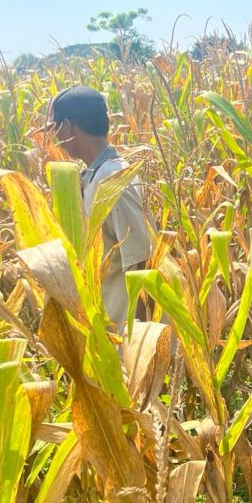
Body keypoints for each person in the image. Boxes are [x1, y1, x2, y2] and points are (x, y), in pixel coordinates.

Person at [45, 85, 153, 327]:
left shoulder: (114, 182)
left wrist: (141, 347)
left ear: (69, 127)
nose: (55, 139)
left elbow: (143, 267)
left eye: (55, 129)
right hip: (108, 333)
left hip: (129, 338)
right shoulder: (94, 177)